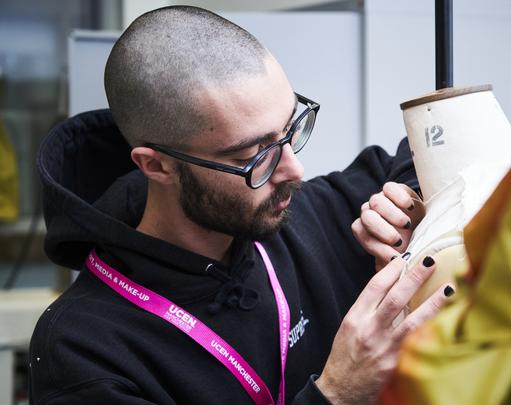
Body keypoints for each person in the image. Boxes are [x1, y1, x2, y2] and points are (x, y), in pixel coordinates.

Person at [29, 6, 453, 404]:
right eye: (252, 156)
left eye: (290, 131)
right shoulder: (83, 350)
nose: (294, 169)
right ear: (156, 165)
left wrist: (414, 203)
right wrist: (336, 393)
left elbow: (430, 153)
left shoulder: (302, 216)